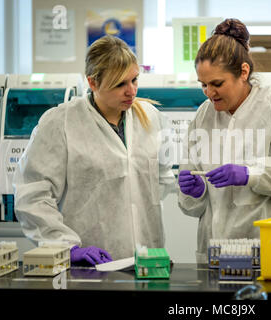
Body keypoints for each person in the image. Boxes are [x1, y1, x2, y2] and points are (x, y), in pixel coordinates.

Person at [177, 19, 271, 263]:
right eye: (203, 85)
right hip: (220, 253)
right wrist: (195, 192)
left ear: (244, 72)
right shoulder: (203, 117)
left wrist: (252, 173)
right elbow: (192, 207)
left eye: (217, 84)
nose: (209, 92)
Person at [13, 35, 175, 265]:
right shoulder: (61, 123)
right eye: (120, 84)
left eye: (134, 80)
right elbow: (32, 194)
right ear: (93, 83)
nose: (131, 91)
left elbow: (162, 179)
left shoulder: (150, 118)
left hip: (148, 260)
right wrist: (65, 247)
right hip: (91, 262)